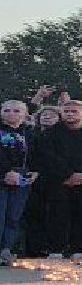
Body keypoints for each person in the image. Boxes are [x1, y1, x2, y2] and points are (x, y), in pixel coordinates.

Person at [30, 98, 82, 258]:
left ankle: (78, 249)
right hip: (58, 183)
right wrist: (68, 175)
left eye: (74, 111)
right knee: (57, 215)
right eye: (67, 111)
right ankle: (56, 249)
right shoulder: (48, 135)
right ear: (62, 113)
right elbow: (47, 157)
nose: (70, 114)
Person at [0, 99, 34, 265]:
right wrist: (7, 171)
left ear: (24, 114)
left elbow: (37, 154)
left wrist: (35, 171)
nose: (11, 114)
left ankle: (7, 249)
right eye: (7, 110)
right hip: (3, 175)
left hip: (22, 178)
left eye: (16, 111)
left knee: (14, 215)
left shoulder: (29, 133)